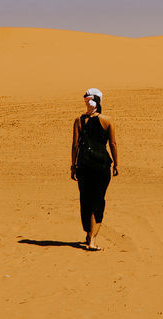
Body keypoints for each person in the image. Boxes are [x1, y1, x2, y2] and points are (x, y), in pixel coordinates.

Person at [70, 87, 119, 251]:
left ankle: (88, 232)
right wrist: (117, 164)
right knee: (98, 200)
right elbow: (112, 144)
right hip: (101, 165)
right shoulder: (108, 120)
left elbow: (75, 145)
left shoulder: (79, 120)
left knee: (85, 199)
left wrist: (73, 165)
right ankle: (92, 239)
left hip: (83, 165)